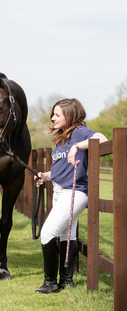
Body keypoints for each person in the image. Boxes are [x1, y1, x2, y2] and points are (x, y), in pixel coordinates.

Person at [34, 98, 108, 294]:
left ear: (71, 115)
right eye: (53, 114)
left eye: (57, 115)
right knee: (67, 234)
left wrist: (78, 146)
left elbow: (103, 139)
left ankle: (50, 283)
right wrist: (45, 176)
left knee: (48, 233)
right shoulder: (62, 138)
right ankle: (67, 280)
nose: (52, 118)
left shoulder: (79, 132)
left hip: (75, 192)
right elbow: (60, 169)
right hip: (59, 191)